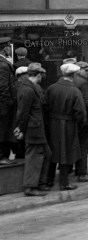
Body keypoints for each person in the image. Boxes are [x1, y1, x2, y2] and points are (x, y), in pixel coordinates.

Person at [44, 63, 86, 191]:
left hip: (52, 123)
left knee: (53, 151)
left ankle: (49, 181)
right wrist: (79, 124)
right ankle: (64, 183)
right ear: (73, 75)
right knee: (65, 152)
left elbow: (44, 106)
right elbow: (80, 112)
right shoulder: (75, 91)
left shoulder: (51, 88)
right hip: (68, 124)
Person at [14, 63, 51, 196]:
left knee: (47, 154)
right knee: (33, 157)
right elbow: (23, 113)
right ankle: (30, 187)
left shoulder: (30, 87)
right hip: (33, 129)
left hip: (36, 128)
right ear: (39, 75)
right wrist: (21, 129)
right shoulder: (27, 90)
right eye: (42, 76)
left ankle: (40, 183)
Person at [73, 61, 88, 182]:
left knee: (76, 144)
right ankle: (82, 172)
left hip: (74, 118)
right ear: (78, 70)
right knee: (83, 146)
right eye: (85, 70)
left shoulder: (72, 80)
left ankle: (77, 169)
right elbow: (87, 102)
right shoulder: (82, 82)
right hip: (84, 118)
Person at [0, 37, 16, 165]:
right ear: (4, 48)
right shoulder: (3, 65)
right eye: (8, 46)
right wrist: (9, 103)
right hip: (3, 107)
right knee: (3, 130)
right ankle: (2, 157)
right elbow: (3, 87)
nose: (9, 49)